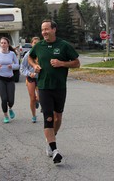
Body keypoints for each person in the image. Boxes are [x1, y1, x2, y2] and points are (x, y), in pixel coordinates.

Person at [28, 19, 80, 164]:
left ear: (54, 29)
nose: (44, 32)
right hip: (44, 87)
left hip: (60, 87)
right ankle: (55, 149)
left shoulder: (64, 46)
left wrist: (62, 63)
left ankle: (51, 139)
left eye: (47, 29)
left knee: (58, 118)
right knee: (48, 118)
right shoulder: (39, 46)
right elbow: (30, 58)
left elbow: (77, 63)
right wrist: (35, 65)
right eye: (42, 29)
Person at [0, 37, 19, 123]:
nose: (3, 44)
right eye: (1, 43)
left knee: (11, 100)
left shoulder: (12, 54)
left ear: (8, 44)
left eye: (5, 43)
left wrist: (12, 66)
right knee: (4, 98)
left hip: (10, 78)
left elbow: (18, 65)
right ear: (0, 44)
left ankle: (10, 108)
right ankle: (6, 115)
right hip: (0, 79)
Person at [20, 37, 40, 123]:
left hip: (40, 78)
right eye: (34, 43)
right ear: (31, 44)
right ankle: (34, 115)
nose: (36, 44)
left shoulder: (42, 54)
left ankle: (38, 100)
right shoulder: (28, 54)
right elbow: (22, 68)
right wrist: (29, 73)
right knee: (32, 98)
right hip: (31, 78)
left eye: (37, 43)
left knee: (39, 97)